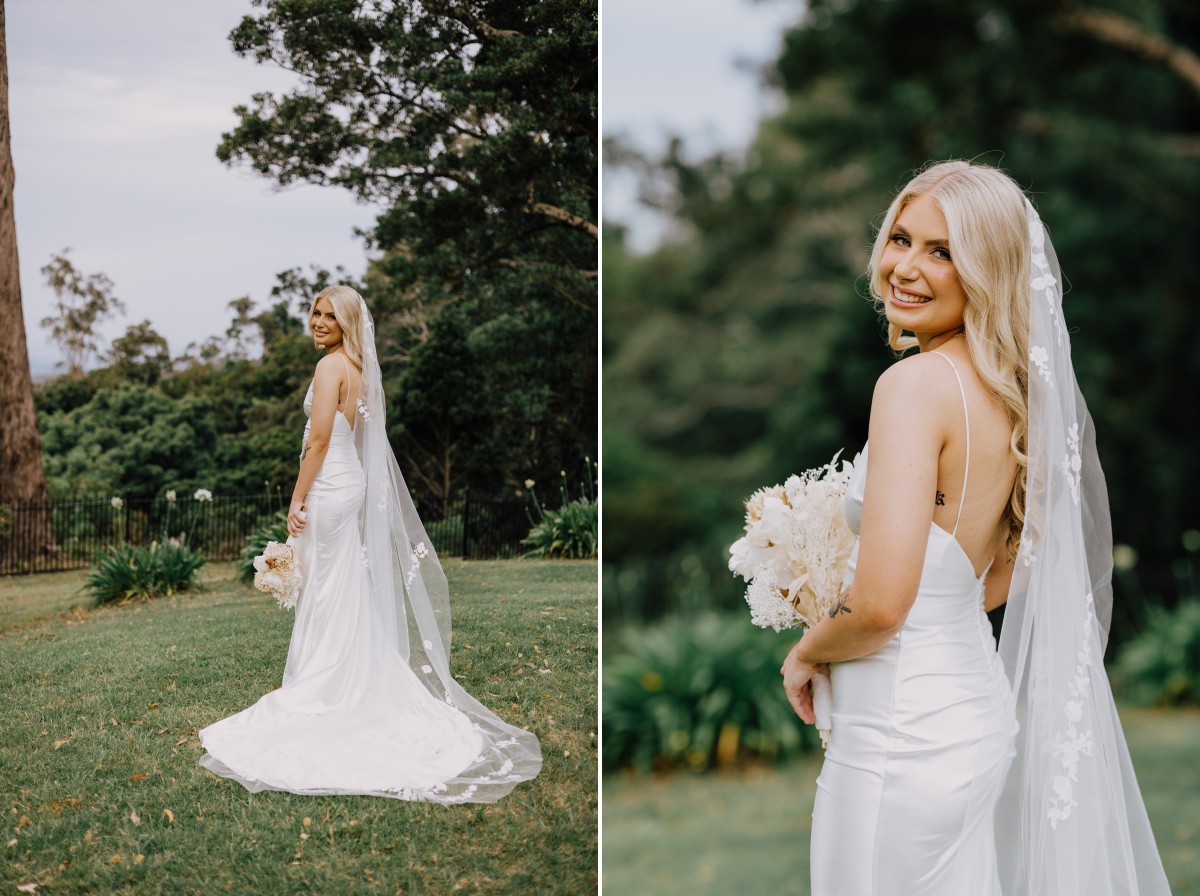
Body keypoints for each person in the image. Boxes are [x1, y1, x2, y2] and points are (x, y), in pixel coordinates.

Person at [780, 161, 1169, 894]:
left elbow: (882, 607)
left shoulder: (912, 387)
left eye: (943, 252)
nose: (906, 267)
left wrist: (807, 648)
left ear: (987, 272)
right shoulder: (1013, 397)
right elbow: (990, 580)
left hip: (899, 741)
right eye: (901, 238)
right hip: (970, 722)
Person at [199, 285, 542, 803]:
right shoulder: (359, 369)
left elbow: (317, 442)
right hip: (349, 482)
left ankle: (326, 685)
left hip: (328, 486)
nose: (317, 321)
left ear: (347, 323)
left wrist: (297, 498)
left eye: (328, 316)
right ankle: (348, 675)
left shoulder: (328, 369)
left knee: (326, 587)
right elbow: (355, 435)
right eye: (314, 312)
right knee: (342, 583)